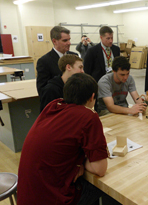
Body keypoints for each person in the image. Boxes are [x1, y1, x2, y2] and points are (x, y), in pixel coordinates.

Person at [18, 73, 113, 205]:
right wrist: (80, 163)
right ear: (92, 97)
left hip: (27, 196)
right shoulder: (89, 116)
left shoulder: (52, 106)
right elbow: (100, 169)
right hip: (53, 199)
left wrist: (78, 163)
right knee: (106, 187)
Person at [36, 26, 77, 97]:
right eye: (65, 40)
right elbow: (43, 90)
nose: (69, 43)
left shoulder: (74, 56)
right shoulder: (44, 61)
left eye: (69, 40)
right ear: (54, 41)